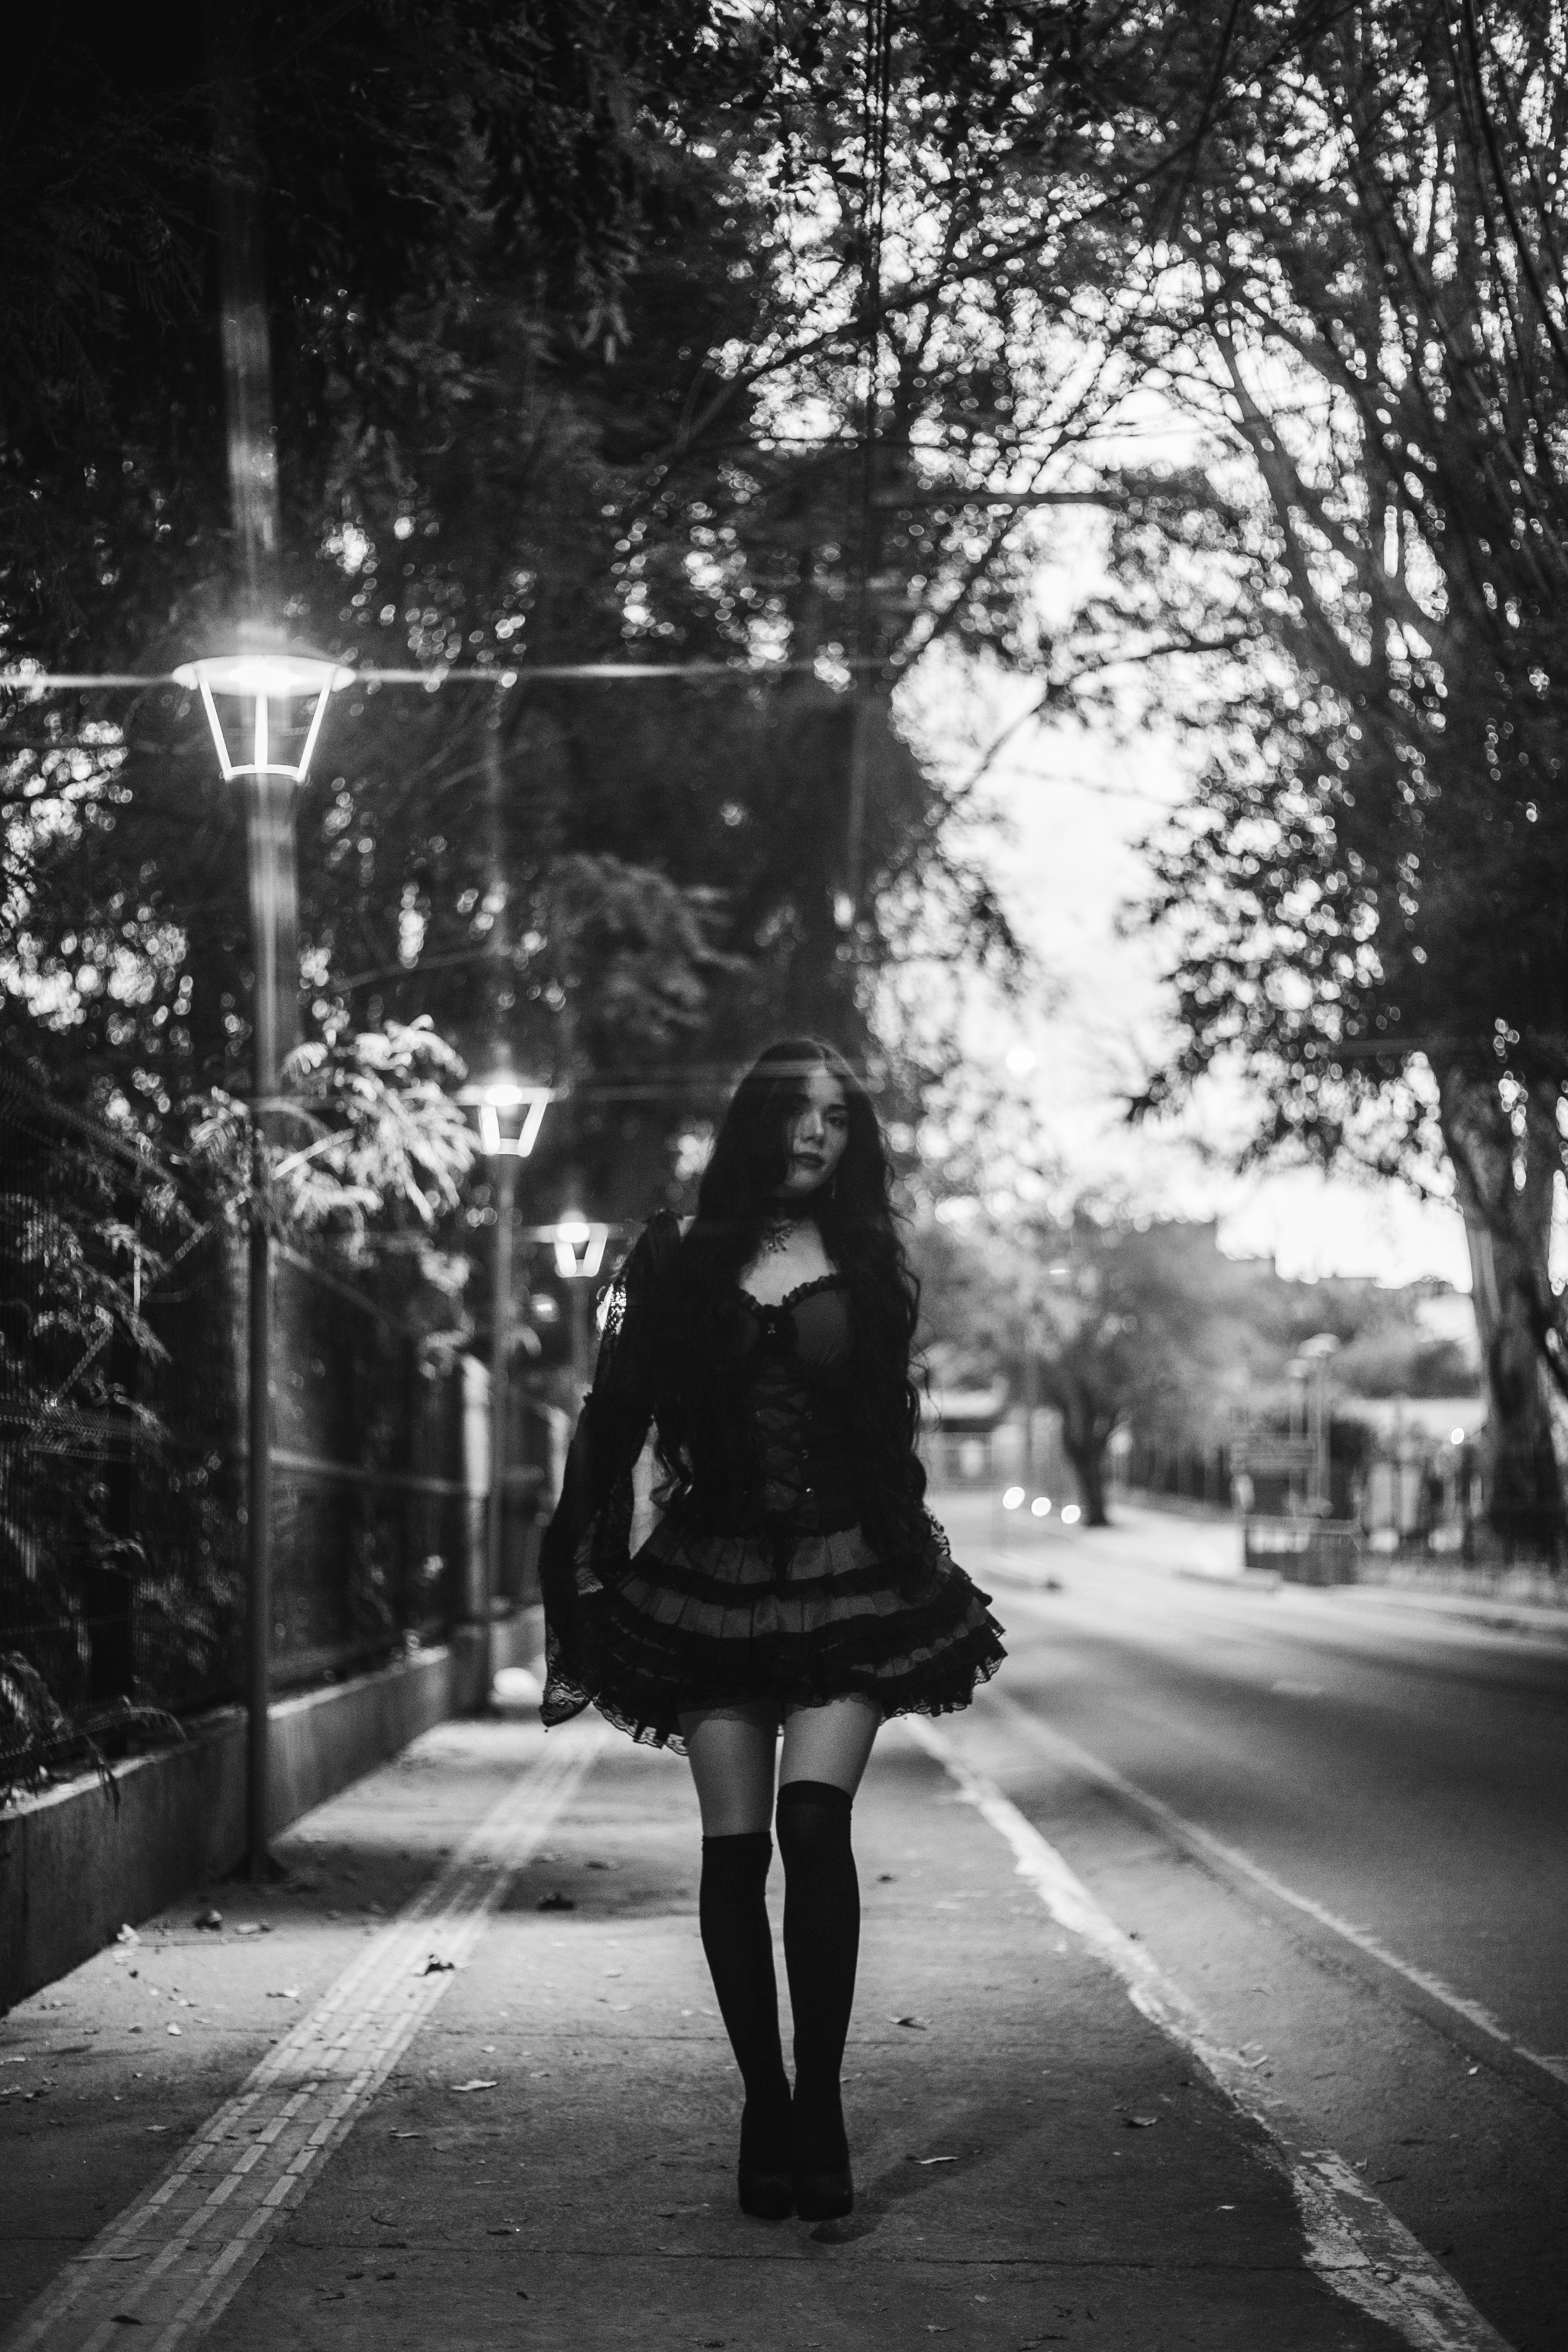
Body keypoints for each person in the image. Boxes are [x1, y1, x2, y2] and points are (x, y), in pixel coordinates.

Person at [538, 1038, 1007, 2223]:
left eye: (838, 1119)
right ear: (758, 1121)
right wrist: (573, 1559)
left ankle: (824, 2105)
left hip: (847, 1571)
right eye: (798, 1112)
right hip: (714, 1576)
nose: (816, 1134)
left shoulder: (865, 1257)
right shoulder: (676, 1256)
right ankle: (765, 2100)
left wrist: (910, 1555)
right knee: (735, 1853)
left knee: (814, 1823)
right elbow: (615, 1414)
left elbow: (883, 1425)